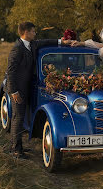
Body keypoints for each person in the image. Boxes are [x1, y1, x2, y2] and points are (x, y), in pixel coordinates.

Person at [5, 22, 71, 158]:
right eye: (33, 31)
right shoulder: (17, 49)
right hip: (17, 89)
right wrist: (14, 92)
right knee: (18, 117)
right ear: (26, 32)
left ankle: (18, 146)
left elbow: (45, 42)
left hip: (28, 86)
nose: (35, 34)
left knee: (22, 115)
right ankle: (15, 149)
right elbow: (10, 72)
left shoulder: (32, 44)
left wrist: (62, 41)